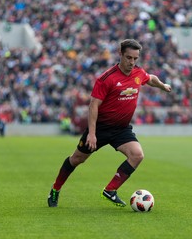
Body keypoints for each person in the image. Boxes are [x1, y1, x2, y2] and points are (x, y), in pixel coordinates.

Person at [47, 39, 172, 207]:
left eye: (135, 58)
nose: (132, 62)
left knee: (137, 155)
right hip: (100, 128)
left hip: (121, 129)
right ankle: (55, 189)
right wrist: (92, 134)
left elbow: (150, 78)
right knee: (77, 159)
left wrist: (163, 85)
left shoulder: (138, 73)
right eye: (128, 57)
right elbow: (93, 106)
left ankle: (110, 190)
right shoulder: (106, 78)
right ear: (120, 54)